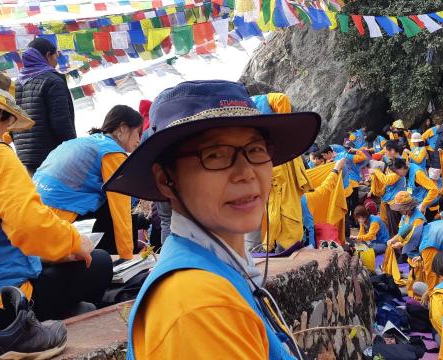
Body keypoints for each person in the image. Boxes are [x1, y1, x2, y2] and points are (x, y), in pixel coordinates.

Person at [105, 80, 321, 358]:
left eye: (256, 150)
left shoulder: (220, 267)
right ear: (166, 180)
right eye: (215, 155)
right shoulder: (198, 307)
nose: (246, 173)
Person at [0, 64, 110, 323]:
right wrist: (74, 243)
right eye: (7, 118)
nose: (5, 129)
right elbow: (30, 227)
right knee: (98, 263)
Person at [33, 105, 143, 260]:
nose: (139, 139)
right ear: (123, 128)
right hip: (58, 220)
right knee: (124, 204)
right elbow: (121, 208)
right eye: (138, 132)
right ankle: (112, 259)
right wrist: (127, 256)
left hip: (34, 212)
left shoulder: (82, 142)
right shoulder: (112, 152)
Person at [252, 93, 313, 251]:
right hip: (281, 163)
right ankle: (280, 246)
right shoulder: (262, 100)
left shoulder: (243, 107)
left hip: (269, 163)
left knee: (276, 207)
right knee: (286, 208)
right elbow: (282, 99)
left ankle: (270, 246)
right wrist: (283, 129)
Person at [13, 38, 76, 175]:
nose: (57, 61)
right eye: (56, 56)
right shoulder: (53, 81)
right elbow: (61, 121)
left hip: (25, 156)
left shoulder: (17, 83)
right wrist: (74, 151)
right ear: (48, 55)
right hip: (52, 156)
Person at [370, 141, 407, 234]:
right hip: (389, 198)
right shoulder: (392, 161)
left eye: (386, 151)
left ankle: (396, 247)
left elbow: (388, 180)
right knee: (389, 224)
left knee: (395, 228)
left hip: (395, 200)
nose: (385, 153)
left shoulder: (400, 163)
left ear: (393, 151)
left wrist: (376, 172)